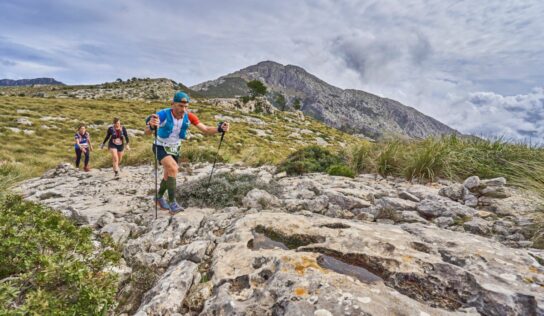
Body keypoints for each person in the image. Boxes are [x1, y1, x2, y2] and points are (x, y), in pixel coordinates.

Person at [145, 91, 230, 214]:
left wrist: (219, 129)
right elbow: (146, 132)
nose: (183, 109)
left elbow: (205, 129)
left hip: (175, 148)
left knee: (167, 175)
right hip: (160, 146)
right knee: (174, 169)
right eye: (180, 106)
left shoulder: (189, 116)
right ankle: (172, 203)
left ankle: (158, 198)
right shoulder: (162, 114)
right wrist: (152, 127)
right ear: (173, 104)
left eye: (186, 106)